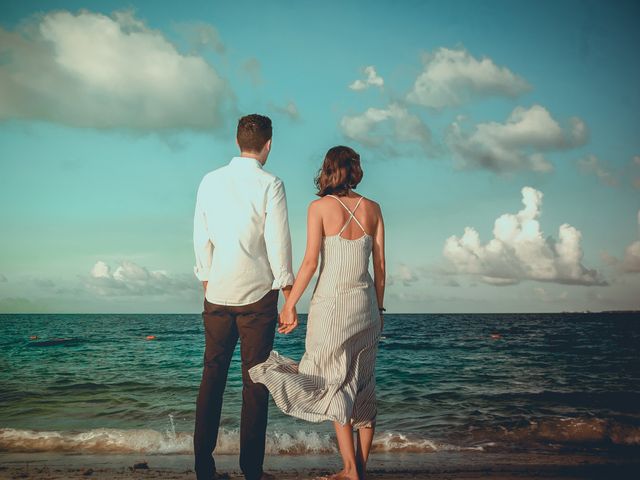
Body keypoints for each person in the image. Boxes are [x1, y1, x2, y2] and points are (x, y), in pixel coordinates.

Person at [249, 145, 386, 480]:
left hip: (332, 308)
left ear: (328, 170)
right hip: (367, 307)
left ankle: (350, 470)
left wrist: (291, 302)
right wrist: (379, 309)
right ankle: (360, 470)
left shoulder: (319, 208)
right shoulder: (373, 208)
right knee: (363, 383)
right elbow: (380, 267)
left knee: (333, 382)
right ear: (354, 170)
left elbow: (310, 262)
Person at [192, 114, 297, 480]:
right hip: (257, 298)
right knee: (255, 384)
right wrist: (289, 294)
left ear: (238, 142)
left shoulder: (209, 180)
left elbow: (200, 234)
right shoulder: (271, 183)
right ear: (268, 144)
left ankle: (203, 469)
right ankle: (252, 470)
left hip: (218, 293)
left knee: (212, 377)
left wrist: (207, 277)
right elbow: (278, 241)